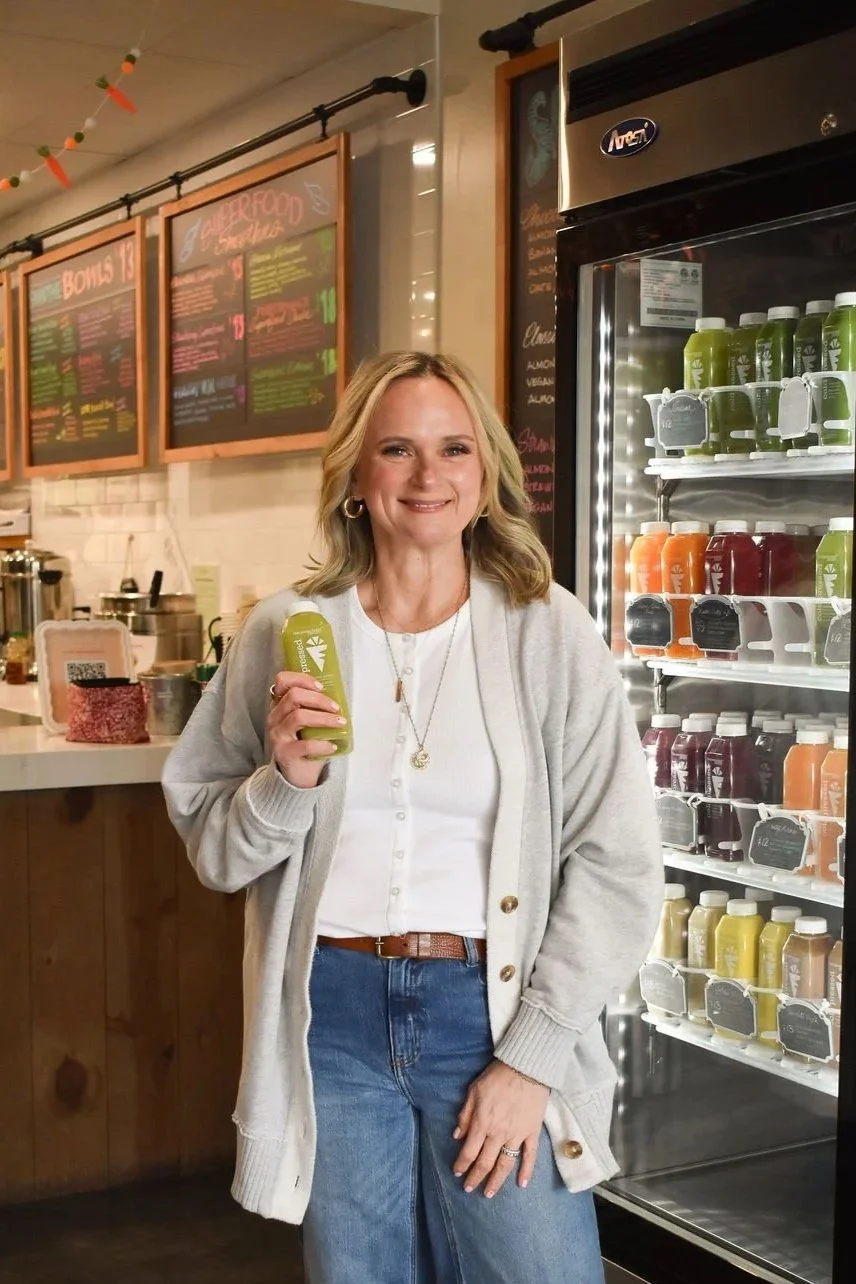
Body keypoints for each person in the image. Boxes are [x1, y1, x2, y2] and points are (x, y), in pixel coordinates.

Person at [162, 350, 662, 1283]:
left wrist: (534, 1057)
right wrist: (285, 782)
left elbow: (620, 864)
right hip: (333, 1021)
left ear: (486, 476)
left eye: (454, 449)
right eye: (397, 449)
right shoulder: (283, 630)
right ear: (357, 474)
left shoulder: (549, 632)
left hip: (494, 1013)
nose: (428, 477)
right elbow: (213, 846)